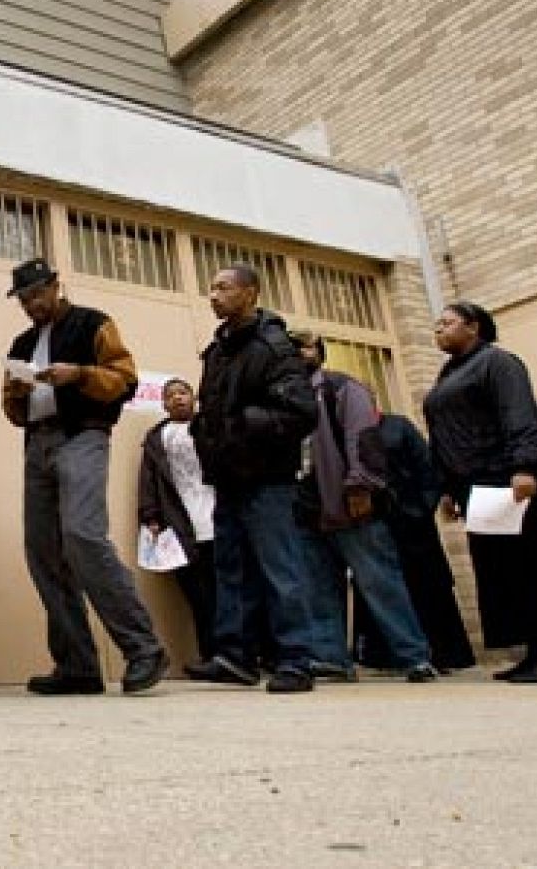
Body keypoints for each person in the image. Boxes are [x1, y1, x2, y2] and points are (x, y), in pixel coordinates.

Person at [2, 257, 168, 696]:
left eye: (37, 294)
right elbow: (12, 410)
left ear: (56, 286)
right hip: (37, 443)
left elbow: (125, 380)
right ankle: (77, 665)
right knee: (42, 551)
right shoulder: (21, 343)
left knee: (82, 535)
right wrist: (16, 394)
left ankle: (144, 648)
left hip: (82, 436)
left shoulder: (93, 323)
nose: (31, 304)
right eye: (23, 299)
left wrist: (78, 375)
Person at [186, 264, 324, 694]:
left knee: (281, 570)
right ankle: (235, 657)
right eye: (211, 288)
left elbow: (301, 412)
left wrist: (243, 423)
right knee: (231, 570)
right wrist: (205, 434)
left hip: (267, 478)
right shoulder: (218, 349)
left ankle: (297, 660)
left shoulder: (274, 346)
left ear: (250, 293)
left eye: (223, 288)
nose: (213, 295)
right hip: (228, 477)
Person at [423, 301, 537, 683]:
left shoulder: (497, 362)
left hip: (505, 479)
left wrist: (525, 466)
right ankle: (530, 653)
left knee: (528, 566)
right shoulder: (450, 373)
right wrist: (446, 488)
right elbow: (443, 434)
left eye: (447, 323)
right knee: (500, 572)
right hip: (474, 486)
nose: (438, 329)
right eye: (437, 324)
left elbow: (519, 414)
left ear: (474, 327)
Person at [288, 331, 438, 683]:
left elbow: (364, 438)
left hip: (349, 505)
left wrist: (361, 485)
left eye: (306, 347)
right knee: (319, 589)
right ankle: (332, 659)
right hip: (306, 510)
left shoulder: (342, 388)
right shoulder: (283, 398)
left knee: (380, 583)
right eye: (292, 349)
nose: (299, 354)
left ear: (320, 353)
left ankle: (413, 656)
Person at [355, 413, 477, 672]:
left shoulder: (399, 427)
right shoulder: (349, 432)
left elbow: (427, 470)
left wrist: (419, 510)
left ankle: (445, 653)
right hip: (375, 524)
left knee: (430, 586)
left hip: (413, 523)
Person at [137, 377, 218, 664]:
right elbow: (148, 480)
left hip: (218, 518)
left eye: (183, 392)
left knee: (230, 589)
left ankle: (243, 653)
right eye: (170, 395)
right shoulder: (156, 438)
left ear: (194, 398)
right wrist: (150, 516)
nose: (178, 398)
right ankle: (210, 654)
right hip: (180, 524)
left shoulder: (211, 426)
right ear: (163, 404)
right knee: (198, 595)